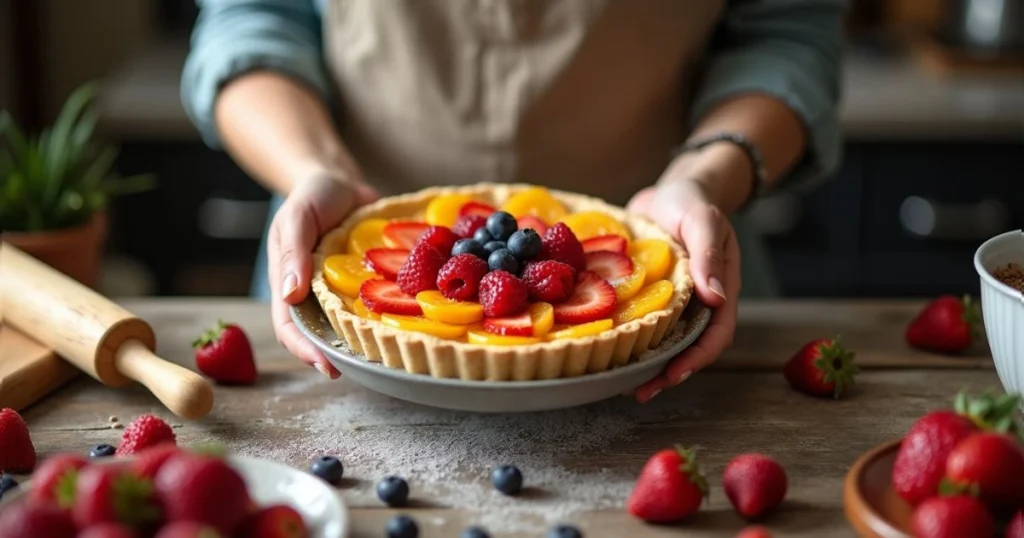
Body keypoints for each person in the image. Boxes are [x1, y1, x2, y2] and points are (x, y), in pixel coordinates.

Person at [181, 0, 846, 403]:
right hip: (347, 262)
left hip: (668, 252)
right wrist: (311, 171)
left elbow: (787, 33)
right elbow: (250, 19)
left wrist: (702, 180)